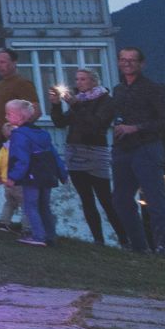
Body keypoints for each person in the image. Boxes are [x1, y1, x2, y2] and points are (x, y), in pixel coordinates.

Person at [101, 46, 165, 255]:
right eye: (123, 60)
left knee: (155, 199)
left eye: (132, 60)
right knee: (121, 200)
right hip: (122, 149)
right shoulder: (119, 89)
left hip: (147, 148)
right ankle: (139, 246)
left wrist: (136, 127)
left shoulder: (152, 89)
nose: (127, 63)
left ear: (142, 64)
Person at [48, 68, 128, 247]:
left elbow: (96, 124)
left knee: (106, 199)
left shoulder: (105, 100)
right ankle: (98, 240)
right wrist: (55, 104)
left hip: (95, 151)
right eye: (76, 79)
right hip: (75, 151)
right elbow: (60, 123)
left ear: (94, 81)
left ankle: (125, 240)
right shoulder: (80, 100)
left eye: (83, 79)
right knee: (86, 199)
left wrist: (75, 105)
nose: (78, 83)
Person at [0, 49, 39, 230]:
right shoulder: (0, 85)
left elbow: (35, 111)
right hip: (2, 141)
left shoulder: (22, 83)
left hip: (18, 142)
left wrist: (18, 131)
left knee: (22, 186)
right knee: (10, 186)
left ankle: (28, 226)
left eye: (3, 61)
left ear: (14, 62)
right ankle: (6, 222)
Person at [4, 100, 62, 246]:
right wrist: (62, 173)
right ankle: (50, 236)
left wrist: (13, 177)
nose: (6, 117)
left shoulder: (18, 135)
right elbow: (54, 154)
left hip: (32, 175)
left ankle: (38, 236)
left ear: (20, 117)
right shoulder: (43, 133)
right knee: (44, 206)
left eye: (9, 114)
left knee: (30, 206)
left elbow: (21, 159)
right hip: (47, 174)